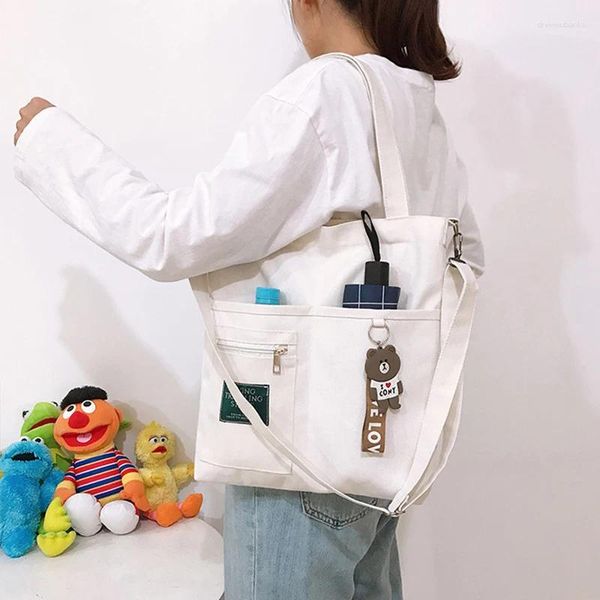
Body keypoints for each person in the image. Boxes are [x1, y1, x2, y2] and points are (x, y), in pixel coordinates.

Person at [13, 0, 485, 598]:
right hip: (383, 458)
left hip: (297, 465)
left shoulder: (324, 93)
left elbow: (174, 237)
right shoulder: (416, 107)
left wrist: (50, 142)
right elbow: (468, 262)